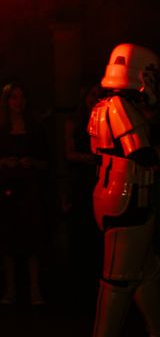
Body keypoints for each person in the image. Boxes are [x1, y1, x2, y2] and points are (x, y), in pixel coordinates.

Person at [88, 44, 160, 337]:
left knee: (146, 271)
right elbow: (141, 153)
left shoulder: (106, 105)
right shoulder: (118, 107)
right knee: (116, 280)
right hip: (127, 200)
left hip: (123, 197)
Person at [0, 82, 48, 306]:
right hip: (8, 189)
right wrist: (3, 162)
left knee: (31, 237)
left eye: (21, 97)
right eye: (13, 97)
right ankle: (11, 288)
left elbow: (46, 162)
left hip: (29, 188)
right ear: (6, 101)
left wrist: (31, 161)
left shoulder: (36, 128)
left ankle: (34, 287)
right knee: (8, 239)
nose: (18, 102)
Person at [64, 83, 103, 307]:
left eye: (98, 95)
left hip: (99, 180)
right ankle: (80, 285)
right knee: (81, 230)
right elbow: (69, 152)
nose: (93, 98)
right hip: (82, 181)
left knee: (97, 233)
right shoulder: (74, 123)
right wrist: (86, 158)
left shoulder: (105, 122)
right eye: (91, 94)